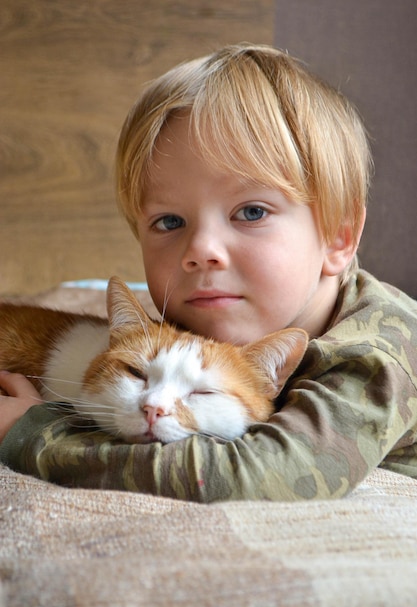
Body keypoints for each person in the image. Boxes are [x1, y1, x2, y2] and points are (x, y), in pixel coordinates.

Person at [1, 43, 416, 501]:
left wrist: (30, 430)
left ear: (338, 238)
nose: (199, 251)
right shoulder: (196, 325)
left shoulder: (377, 358)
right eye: (170, 222)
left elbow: (265, 474)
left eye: (251, 212)